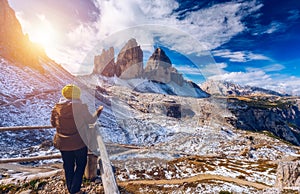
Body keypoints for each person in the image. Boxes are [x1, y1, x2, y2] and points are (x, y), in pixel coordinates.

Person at [51, 84, 103, 194]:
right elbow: (90, 121)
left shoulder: (56, 108)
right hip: (79, 142)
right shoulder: (80, 107)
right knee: (81, 164)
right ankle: (75, 190)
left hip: (63, 142)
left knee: (68, 165)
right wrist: (98, 112)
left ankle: (71, 189)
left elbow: (53, 124)